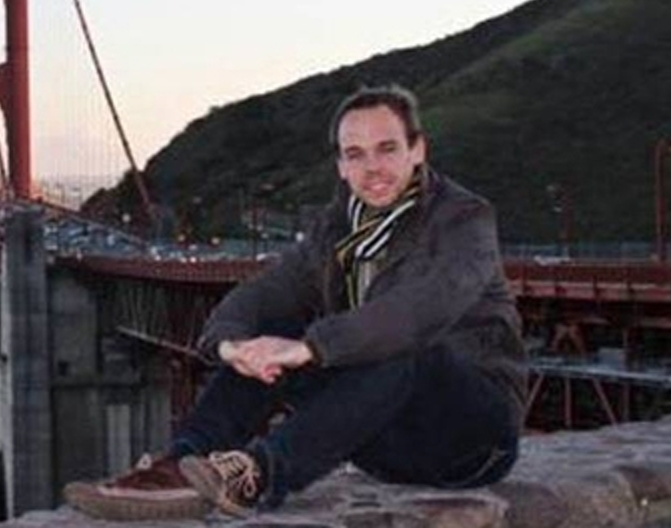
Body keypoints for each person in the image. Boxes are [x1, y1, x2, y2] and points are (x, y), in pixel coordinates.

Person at [64, 84, 527, 520]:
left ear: (417, 149)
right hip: (381, 443)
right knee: (272, 333)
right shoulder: (336, 228)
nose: (372, 168)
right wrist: (230, 345)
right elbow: (266, 292)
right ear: (341, 166)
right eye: (355, 154)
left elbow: (417, 311)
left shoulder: (464, 219)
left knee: (407, 349)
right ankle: (182, 464)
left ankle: (258, 476)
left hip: (472, 443)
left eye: (387, 149)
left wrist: (311, 348)